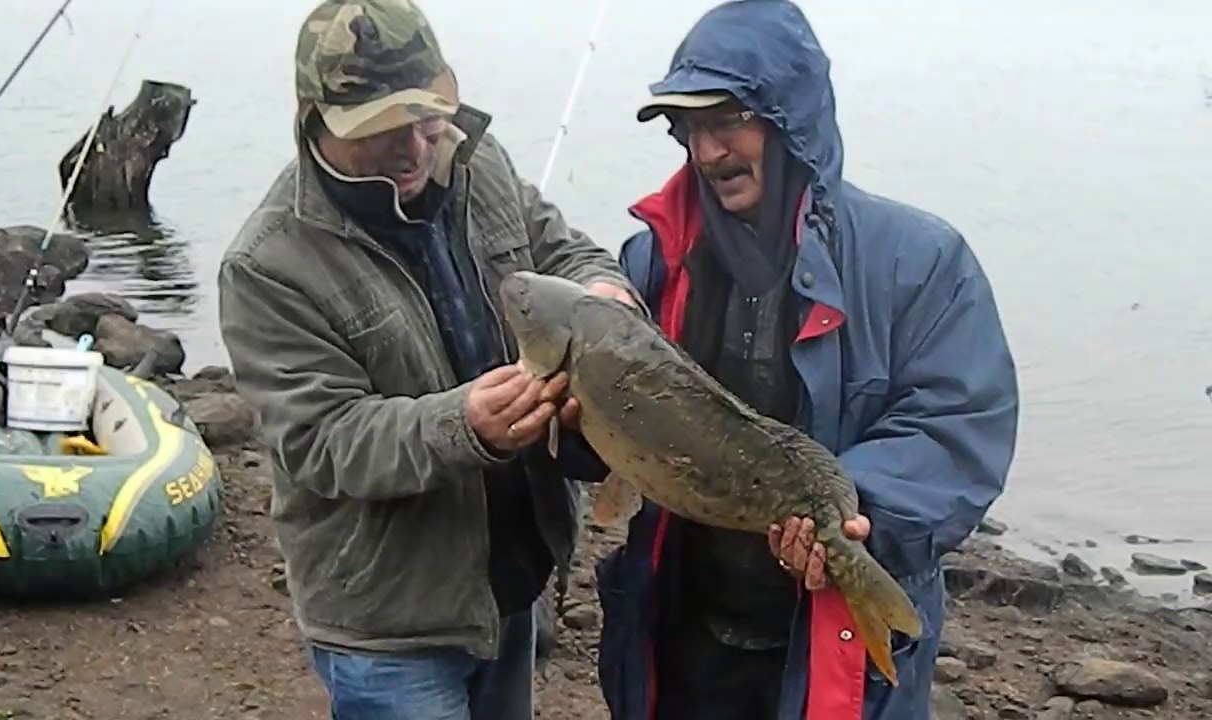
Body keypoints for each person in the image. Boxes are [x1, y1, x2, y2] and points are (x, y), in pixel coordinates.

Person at [589, 2, 1020, 719]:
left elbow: (958, 427)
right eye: (690, 129)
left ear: (790, 120)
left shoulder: (919, 261)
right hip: (682, 639)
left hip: (825, 645)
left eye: (727, 120)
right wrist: (565, 417)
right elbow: (615, 444)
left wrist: (853, 513)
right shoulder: (650, 259)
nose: (707, 152)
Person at [215, 1, 637, 718]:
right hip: (388, 626)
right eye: (382, 130)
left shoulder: (479, 165)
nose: (413, 147)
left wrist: (605, 293)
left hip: (511, 584)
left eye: (428, 118)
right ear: (313, 115)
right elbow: (322, 441)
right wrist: (464, 425)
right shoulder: (267, 265)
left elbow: (565, 252)